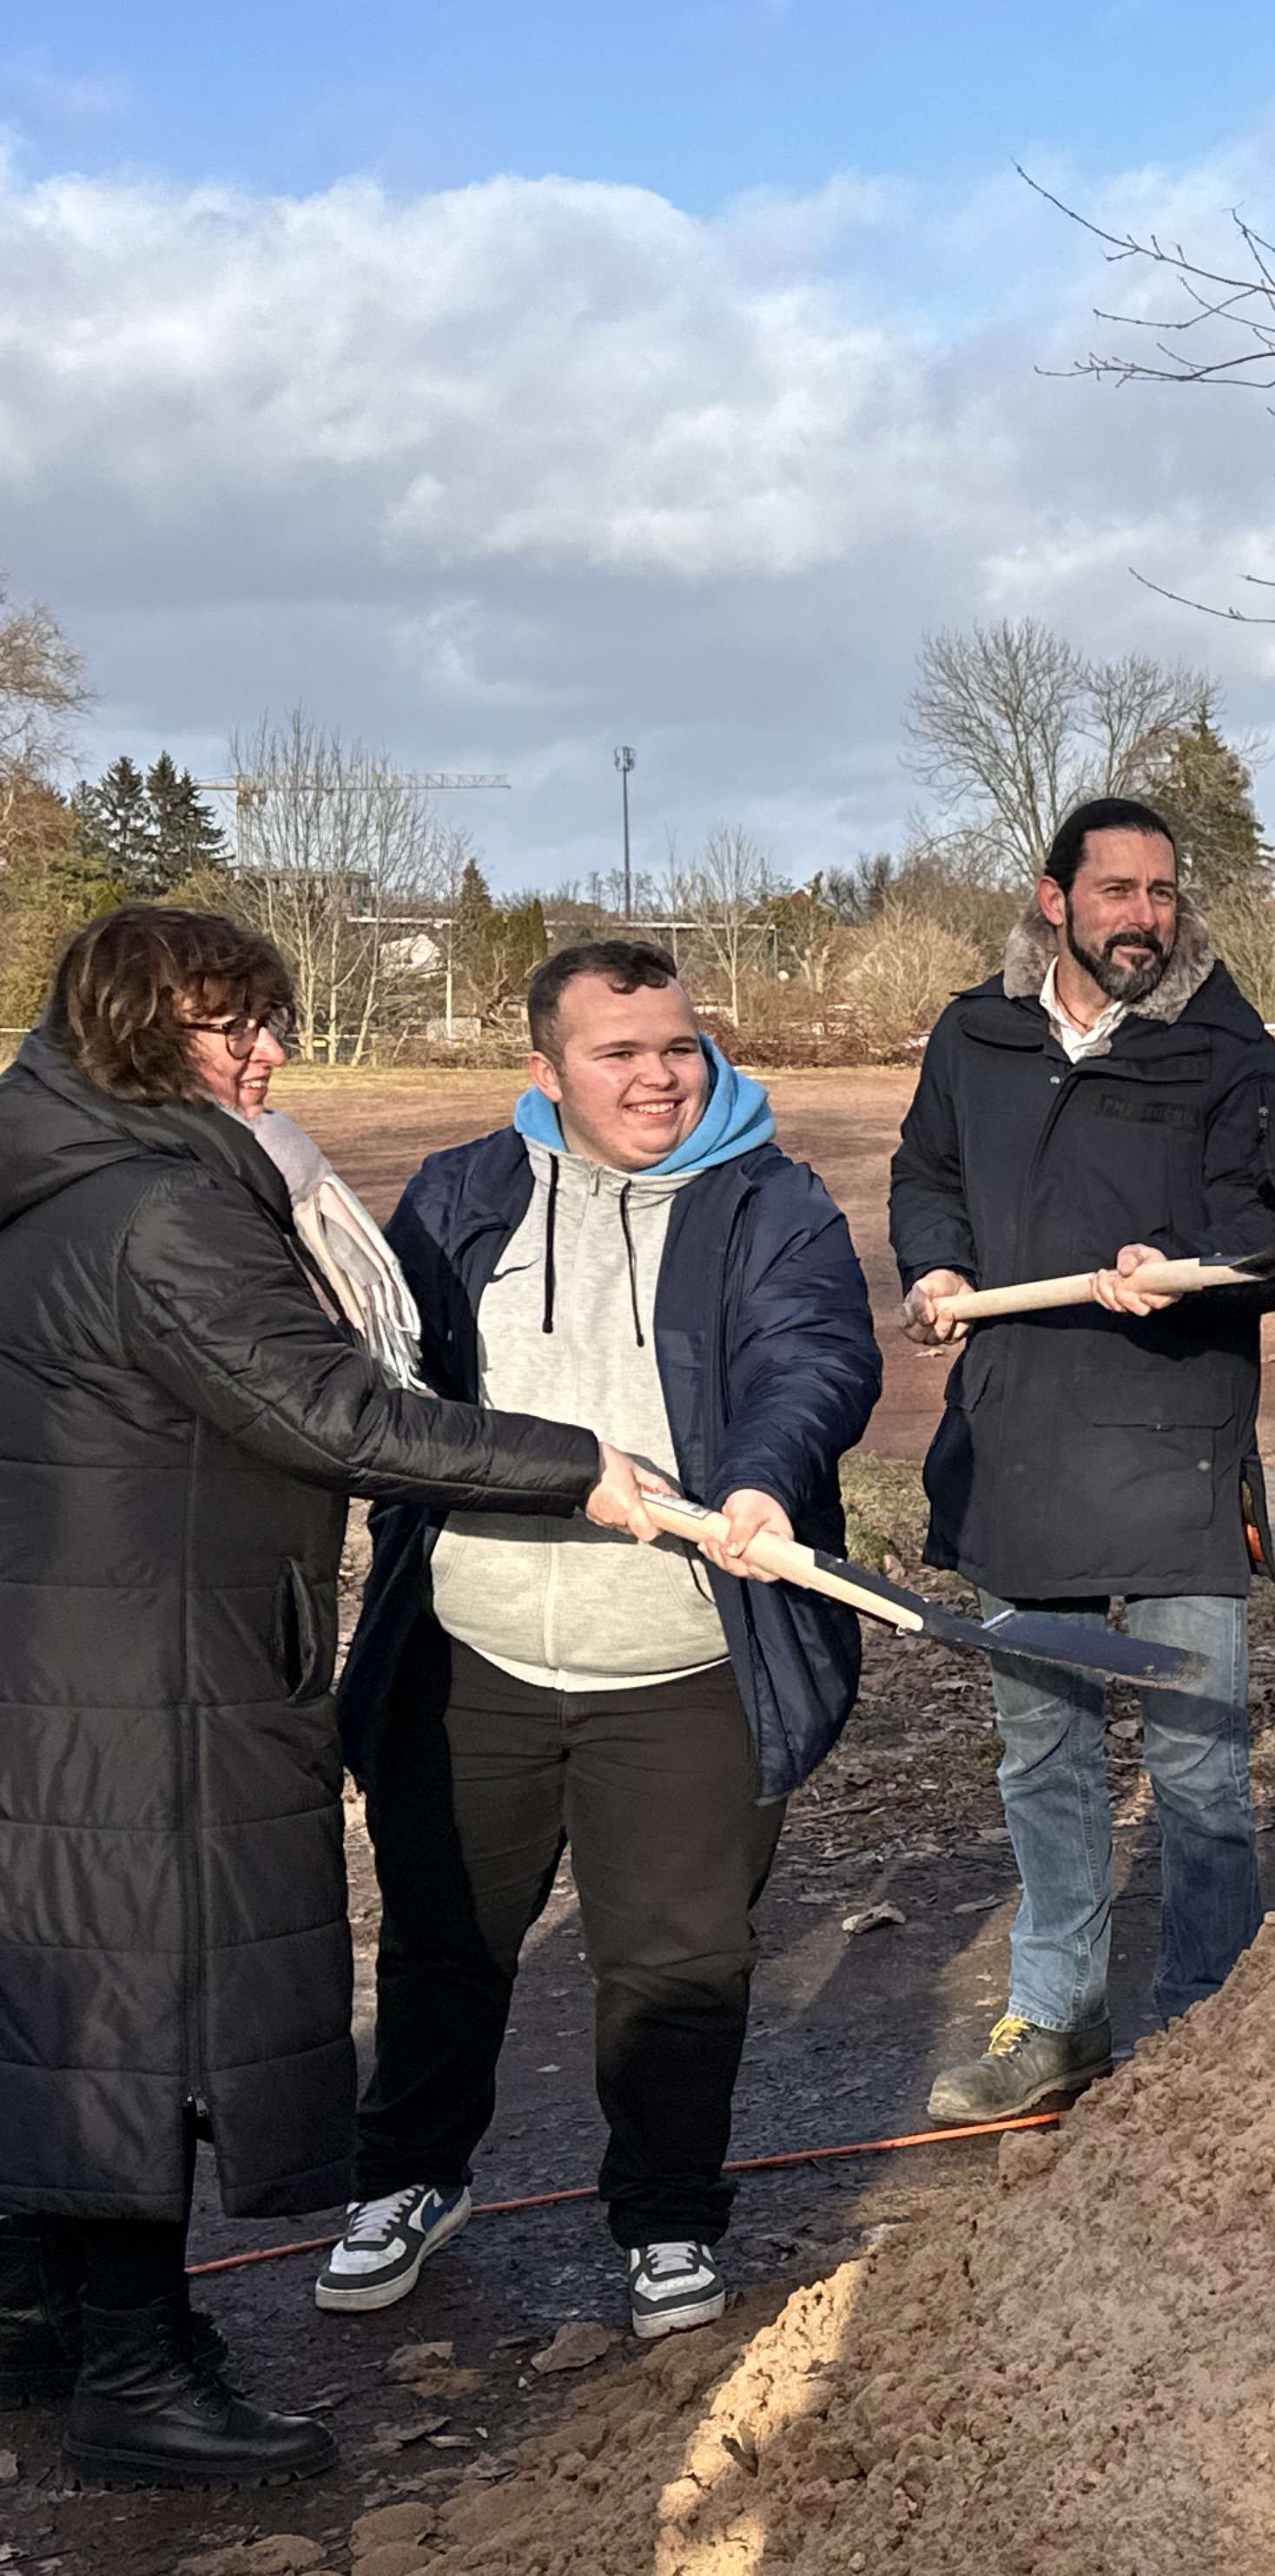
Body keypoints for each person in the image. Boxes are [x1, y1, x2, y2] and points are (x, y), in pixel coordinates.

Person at [0, 908, 657, 2487]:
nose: (272, 1054)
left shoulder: (53, 1172)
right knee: (148, 2010)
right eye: (238, 1027)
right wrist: (581, 1469)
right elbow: (335, 1409)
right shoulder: (162, 1210)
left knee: (62, 1992)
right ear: (144, 1031)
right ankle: (141, 2368)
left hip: (67, 1654)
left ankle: (38, 2313)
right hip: (147, 1672)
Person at [320, 942, 881, 2341]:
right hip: (476, 1655)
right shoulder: (461, 1194)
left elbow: (813, 1355)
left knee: (679, 1963)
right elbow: (394, 1393)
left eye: (678, 1047)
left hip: (683, 1664)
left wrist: (761, 1476)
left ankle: (670, 2215)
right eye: (619, 1053)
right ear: (545, 1070)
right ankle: (410, 2179)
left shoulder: (771, 1199)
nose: (658, 1077)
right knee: (445, 1943)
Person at [891, 795, 1275, 2123]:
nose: (1144, 915)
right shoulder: (978, 1034)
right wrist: (937, 1263)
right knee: (1045, 1755)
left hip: (1173, 1442)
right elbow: (926, 1172)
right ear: (1052, 895)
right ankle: (1059, 2023)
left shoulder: (1222, 1048)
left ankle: (1208, 2020)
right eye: (1119, 890)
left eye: (1162, 893)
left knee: (1197, 1762)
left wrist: (1184, 1273)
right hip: (1020, 1442)